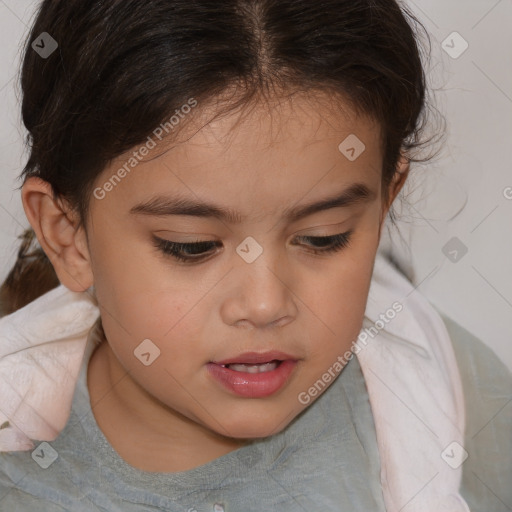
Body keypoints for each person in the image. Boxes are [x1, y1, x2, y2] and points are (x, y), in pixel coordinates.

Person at [0, 1, 510, 511]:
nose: (265, 304)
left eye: (323, 237)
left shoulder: (451, 390)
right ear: (67, 234)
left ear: (384, 202)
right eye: (191, 246)